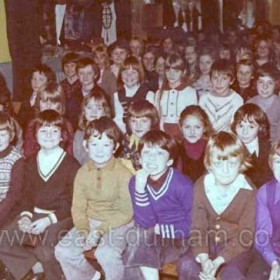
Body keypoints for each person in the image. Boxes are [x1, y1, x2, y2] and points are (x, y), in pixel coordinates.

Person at [0, 110, 80, 280]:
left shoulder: (72, 165)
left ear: (62, 136)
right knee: (3, 240)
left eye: (54, 131)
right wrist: (26, 216)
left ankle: (54, 275)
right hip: (35, 213)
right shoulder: (29, 162)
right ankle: (34, 267)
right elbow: (26, 196)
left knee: (45, 250)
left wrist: (48, 220)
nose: (49, 135)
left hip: (61, 217)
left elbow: (71, 202)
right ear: (35, 136)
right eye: (43, 131)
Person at [55, 117, 133, 280]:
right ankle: (90, 276)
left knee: (106, 253)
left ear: (115, 147)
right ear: (86, 146)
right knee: (63, 251)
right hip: (91, 221)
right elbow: (78, 208)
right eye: (94, 144)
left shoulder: (124, 174)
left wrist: (99, 231)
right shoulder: (82, 172)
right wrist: (84, 230)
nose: (99, 150)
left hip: (118, 223)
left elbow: (126, 212)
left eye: (106, 145)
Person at [179, 131, 256, 280]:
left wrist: (218, 261)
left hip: (238, 247)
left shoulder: (249, 191)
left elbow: (245, 236)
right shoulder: (201, 185)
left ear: (241, 163)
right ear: (209, 164)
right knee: (186, 265)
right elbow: (198, 226)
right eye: (218, 163)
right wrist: (204, 258)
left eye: (232, 163)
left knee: (231, 274)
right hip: (208, 242)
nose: (225, 171)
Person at [123, 130, 193, 280]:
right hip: (150, 236)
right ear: (140, 158)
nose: (152, 158)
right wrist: (140, 190)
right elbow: (145, 221)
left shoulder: (183, 184)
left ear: (170, 161)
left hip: (178, 238)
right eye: (147, 152)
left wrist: (162, 229)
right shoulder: (136, 182)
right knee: (139, 241)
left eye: (159, 153)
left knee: (136, 249)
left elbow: (193, 223)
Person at [247, 143, 280, 280]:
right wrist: (274, 263)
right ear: (271, 165)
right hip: (272, 252)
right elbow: (262, 235)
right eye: (278, 161)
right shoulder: (265, 192)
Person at [23, 82, 74, 158]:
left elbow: (69, 153)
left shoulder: (66, 125)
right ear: (38, 103)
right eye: (44, 101)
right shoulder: (33, 124)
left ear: (60, 105)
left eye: (53, 102)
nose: (48, 105)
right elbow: (28, 152)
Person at [155, 52, 197, 140]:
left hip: (183, 133)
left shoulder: (190, 92)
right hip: (164, 132)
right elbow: (158, 116)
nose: (171, 74)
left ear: (183, 72)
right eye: (168, 70)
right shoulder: (159, 92)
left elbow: (192, 117)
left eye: (176, 71)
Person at [231, 103, 273, 188]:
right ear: (234, 126)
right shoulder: (230, 149)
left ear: (260, 128)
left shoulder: (268, 149)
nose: (245, 132)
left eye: (251, 127)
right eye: (241, 126)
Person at [199, 59, 243, 132]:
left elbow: (236, 128)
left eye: (224, 79)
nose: (219, 83)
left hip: (227, 140)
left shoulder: (236, 100)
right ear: (210, 79)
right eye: (215, 78)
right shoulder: (204, 99)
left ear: (231, 81)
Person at [113, 56, 154, 133]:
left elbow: (152, 119)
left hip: (144, 132)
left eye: (133, 72)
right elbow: (119, 118)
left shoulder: (148, 94)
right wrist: (124, 134)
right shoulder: (117, 95)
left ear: (140, 74)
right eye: (125, 72)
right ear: (120, 74)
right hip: (126, 134)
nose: (129, 76)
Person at [120, 100, 159, 174]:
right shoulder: (126, 140)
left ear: (153, 121)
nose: (138, 126)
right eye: (134, 121)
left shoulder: (157, 142)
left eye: (144, 121)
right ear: (128, 122)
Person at [73, 88, 111, 165]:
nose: (93, 112)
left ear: (104, 112)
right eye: (89, 108)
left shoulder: (109, 132)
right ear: (84, 111)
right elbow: (77, 159)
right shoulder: (79, 134)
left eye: (98, 108)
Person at [0, 111, 24, 229]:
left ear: (11, 135)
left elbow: (14, 196)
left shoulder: (16, 161)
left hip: (8, 209)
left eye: (2, 135)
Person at [65, 57, 103, 130]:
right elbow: (70, 117)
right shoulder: (74, 94)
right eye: (81, 73)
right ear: (77, 75)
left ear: (95, 75)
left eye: (89, 73)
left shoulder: (101, 94)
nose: (85, 76)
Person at [177, 105, 212, 182]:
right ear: (180, 127)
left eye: (197, 127)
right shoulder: (177, 148)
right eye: (187, 127)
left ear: (205, 128)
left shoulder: (211, 147)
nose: (192, 132)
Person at [247, 63, 280, 143]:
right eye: (261, 82)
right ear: (255, 83)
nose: (265, 87)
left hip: (274, 147)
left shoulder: (278, 104)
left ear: (276, 85)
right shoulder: (249, 104)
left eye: (270, 83)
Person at [18, 64, 56, 132]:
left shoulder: (49, 99)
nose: (36, 82)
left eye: (41, 79)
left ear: (48, 82)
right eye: (34, 78)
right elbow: (20, 119)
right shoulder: (27, 96)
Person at [60, 52, 82, 117]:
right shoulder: (61, 85)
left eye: (72, 66)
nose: (69, 69)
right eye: (66, 66)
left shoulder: (83, 84)